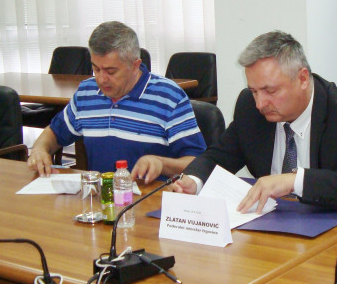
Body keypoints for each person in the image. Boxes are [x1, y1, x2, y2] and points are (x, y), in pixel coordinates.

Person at [174, 31, 337, 212]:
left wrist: (293, 182)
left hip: (334, 230)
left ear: (302, 79)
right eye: (254, 91)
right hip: (271, 230)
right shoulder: (249, 108)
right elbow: (217, 157)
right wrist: (194, 181)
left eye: (270, 91)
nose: (260, 103)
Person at [29, 21, 206, 179]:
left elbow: (198, 162)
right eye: (96, 69)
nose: (101, 79)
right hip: (102, 197)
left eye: (111, 71)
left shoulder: (169, 96)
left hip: (150, 199)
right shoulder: (86, 92)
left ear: (135, 65)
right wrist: (39, 149)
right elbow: (55, 133)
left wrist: (161, 164)